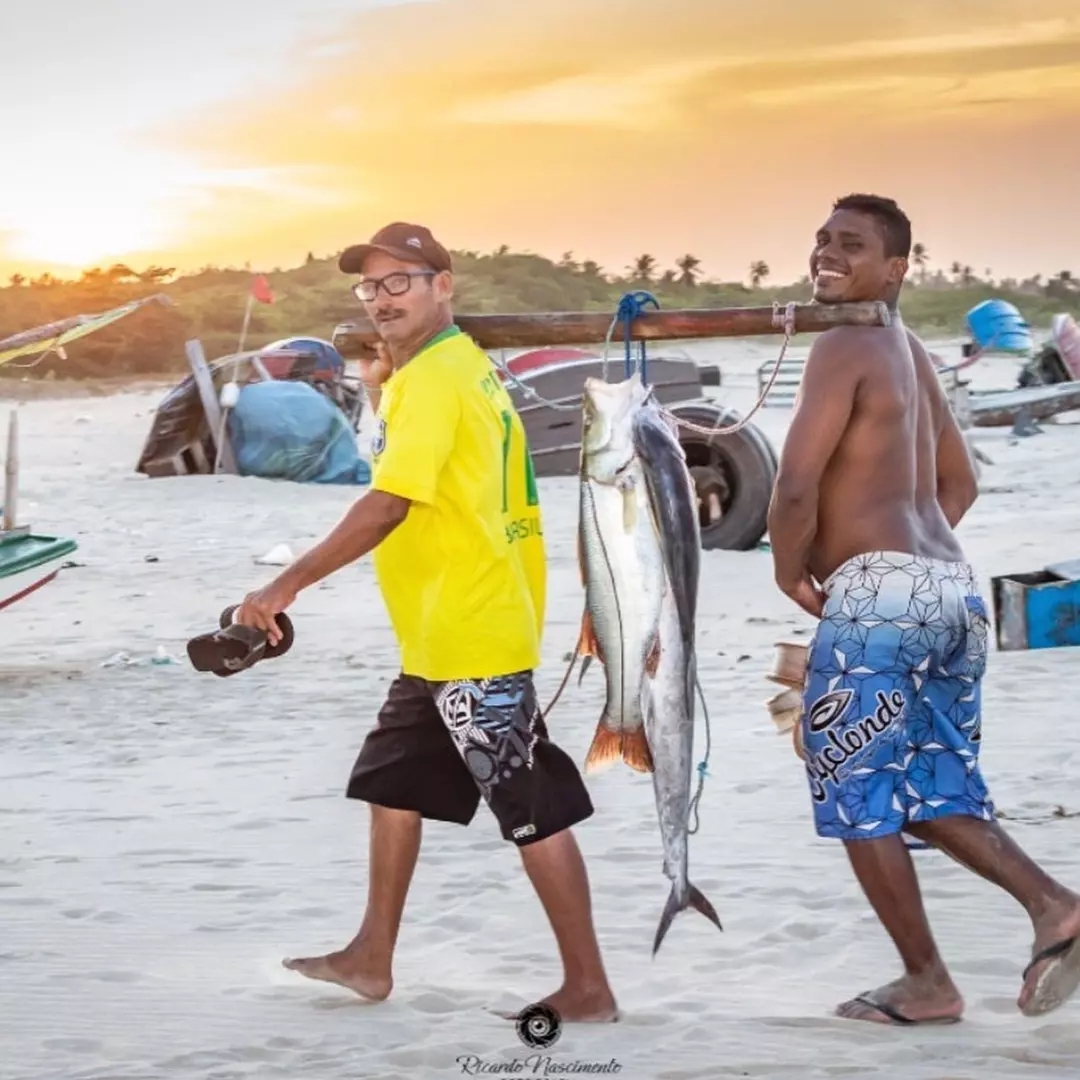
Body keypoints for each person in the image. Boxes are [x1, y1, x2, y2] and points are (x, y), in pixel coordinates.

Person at [235, 222, 618, 1023]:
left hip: (472, 629)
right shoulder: (454, 369)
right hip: (443, 630)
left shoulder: (440, 378)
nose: (380, 299)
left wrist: (285, 585)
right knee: (392, 785)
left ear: (445, 285)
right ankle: (371, 957)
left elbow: (389, 502)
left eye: (399, 282)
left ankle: (587, 987)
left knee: (529, 803)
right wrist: (384, 385)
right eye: (368, 287)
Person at [767, 193, 1080, 1026]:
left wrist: (792, 570)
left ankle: (927, 980)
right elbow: (961, 484)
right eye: (822, 239)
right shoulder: (908, 350)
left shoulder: (844, 345)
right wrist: (912, 558)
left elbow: (795, 481)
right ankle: (1055, 909)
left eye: (853, 245)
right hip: (950, 591)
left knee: (855, 785)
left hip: (879, 598)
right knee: (928, 787)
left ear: (897, 266)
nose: (828, 253)